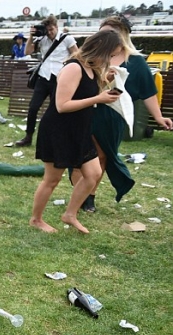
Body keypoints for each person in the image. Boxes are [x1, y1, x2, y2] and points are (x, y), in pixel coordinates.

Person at [70, 15, 173, 212]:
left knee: (101, 156)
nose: (106, 37)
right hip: (85, 111)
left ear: (123, 36)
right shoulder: (89, 57)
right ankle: (78, 196)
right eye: (102, 33)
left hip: (111, 116)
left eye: (111, 33)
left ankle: (89, 196)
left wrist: (159, 117)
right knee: (78, 157)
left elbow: (148, 91)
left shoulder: (135, 61)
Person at [29, 30, 124, 234]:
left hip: (79, 129)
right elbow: (62, 105)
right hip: (58, 129)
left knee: (93, 173)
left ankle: (70, 214)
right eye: (110, 55)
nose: (110, 60)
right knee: (52, 179)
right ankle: (36, 219)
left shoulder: (92, 69)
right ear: (100, 49)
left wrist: (105, 81)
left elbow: (84, 91)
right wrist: (98, 99)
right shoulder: (73, 67)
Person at [16, 15, 79, 147]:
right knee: (33, 107)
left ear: (56, 27)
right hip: (43, 76)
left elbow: (77, 55)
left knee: (57, 109)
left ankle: (59, 137)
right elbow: (27, 51)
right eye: (47, 30)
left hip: (60, 78)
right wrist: (31, 36)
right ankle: (28, 136)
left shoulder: (67, 39)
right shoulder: (42, 38)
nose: (50, 32)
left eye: (51, 29)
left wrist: (68, 67)